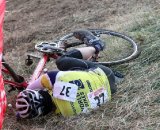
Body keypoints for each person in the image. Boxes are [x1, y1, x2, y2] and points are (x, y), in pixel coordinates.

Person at [16, 29, 124, 119]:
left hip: (111, 90)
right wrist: (26, 91)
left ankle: (106, 70)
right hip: (105, 73)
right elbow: (42, 80)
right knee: (61, 61)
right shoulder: (55, 80)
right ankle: (97, 45)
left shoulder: (65, 113)